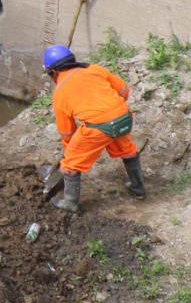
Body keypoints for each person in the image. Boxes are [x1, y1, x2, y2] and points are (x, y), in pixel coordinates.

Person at [42, 44, 145, 214]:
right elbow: (124, 91)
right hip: (124, 117)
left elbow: (67, 131)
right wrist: (110, 109)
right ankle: (138, 188)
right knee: (127, 150)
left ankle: (70, 203)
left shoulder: (60, 93)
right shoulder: (94, 69)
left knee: (70, 164)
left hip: (100, 126)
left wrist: (70, 149)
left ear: (53, 72)